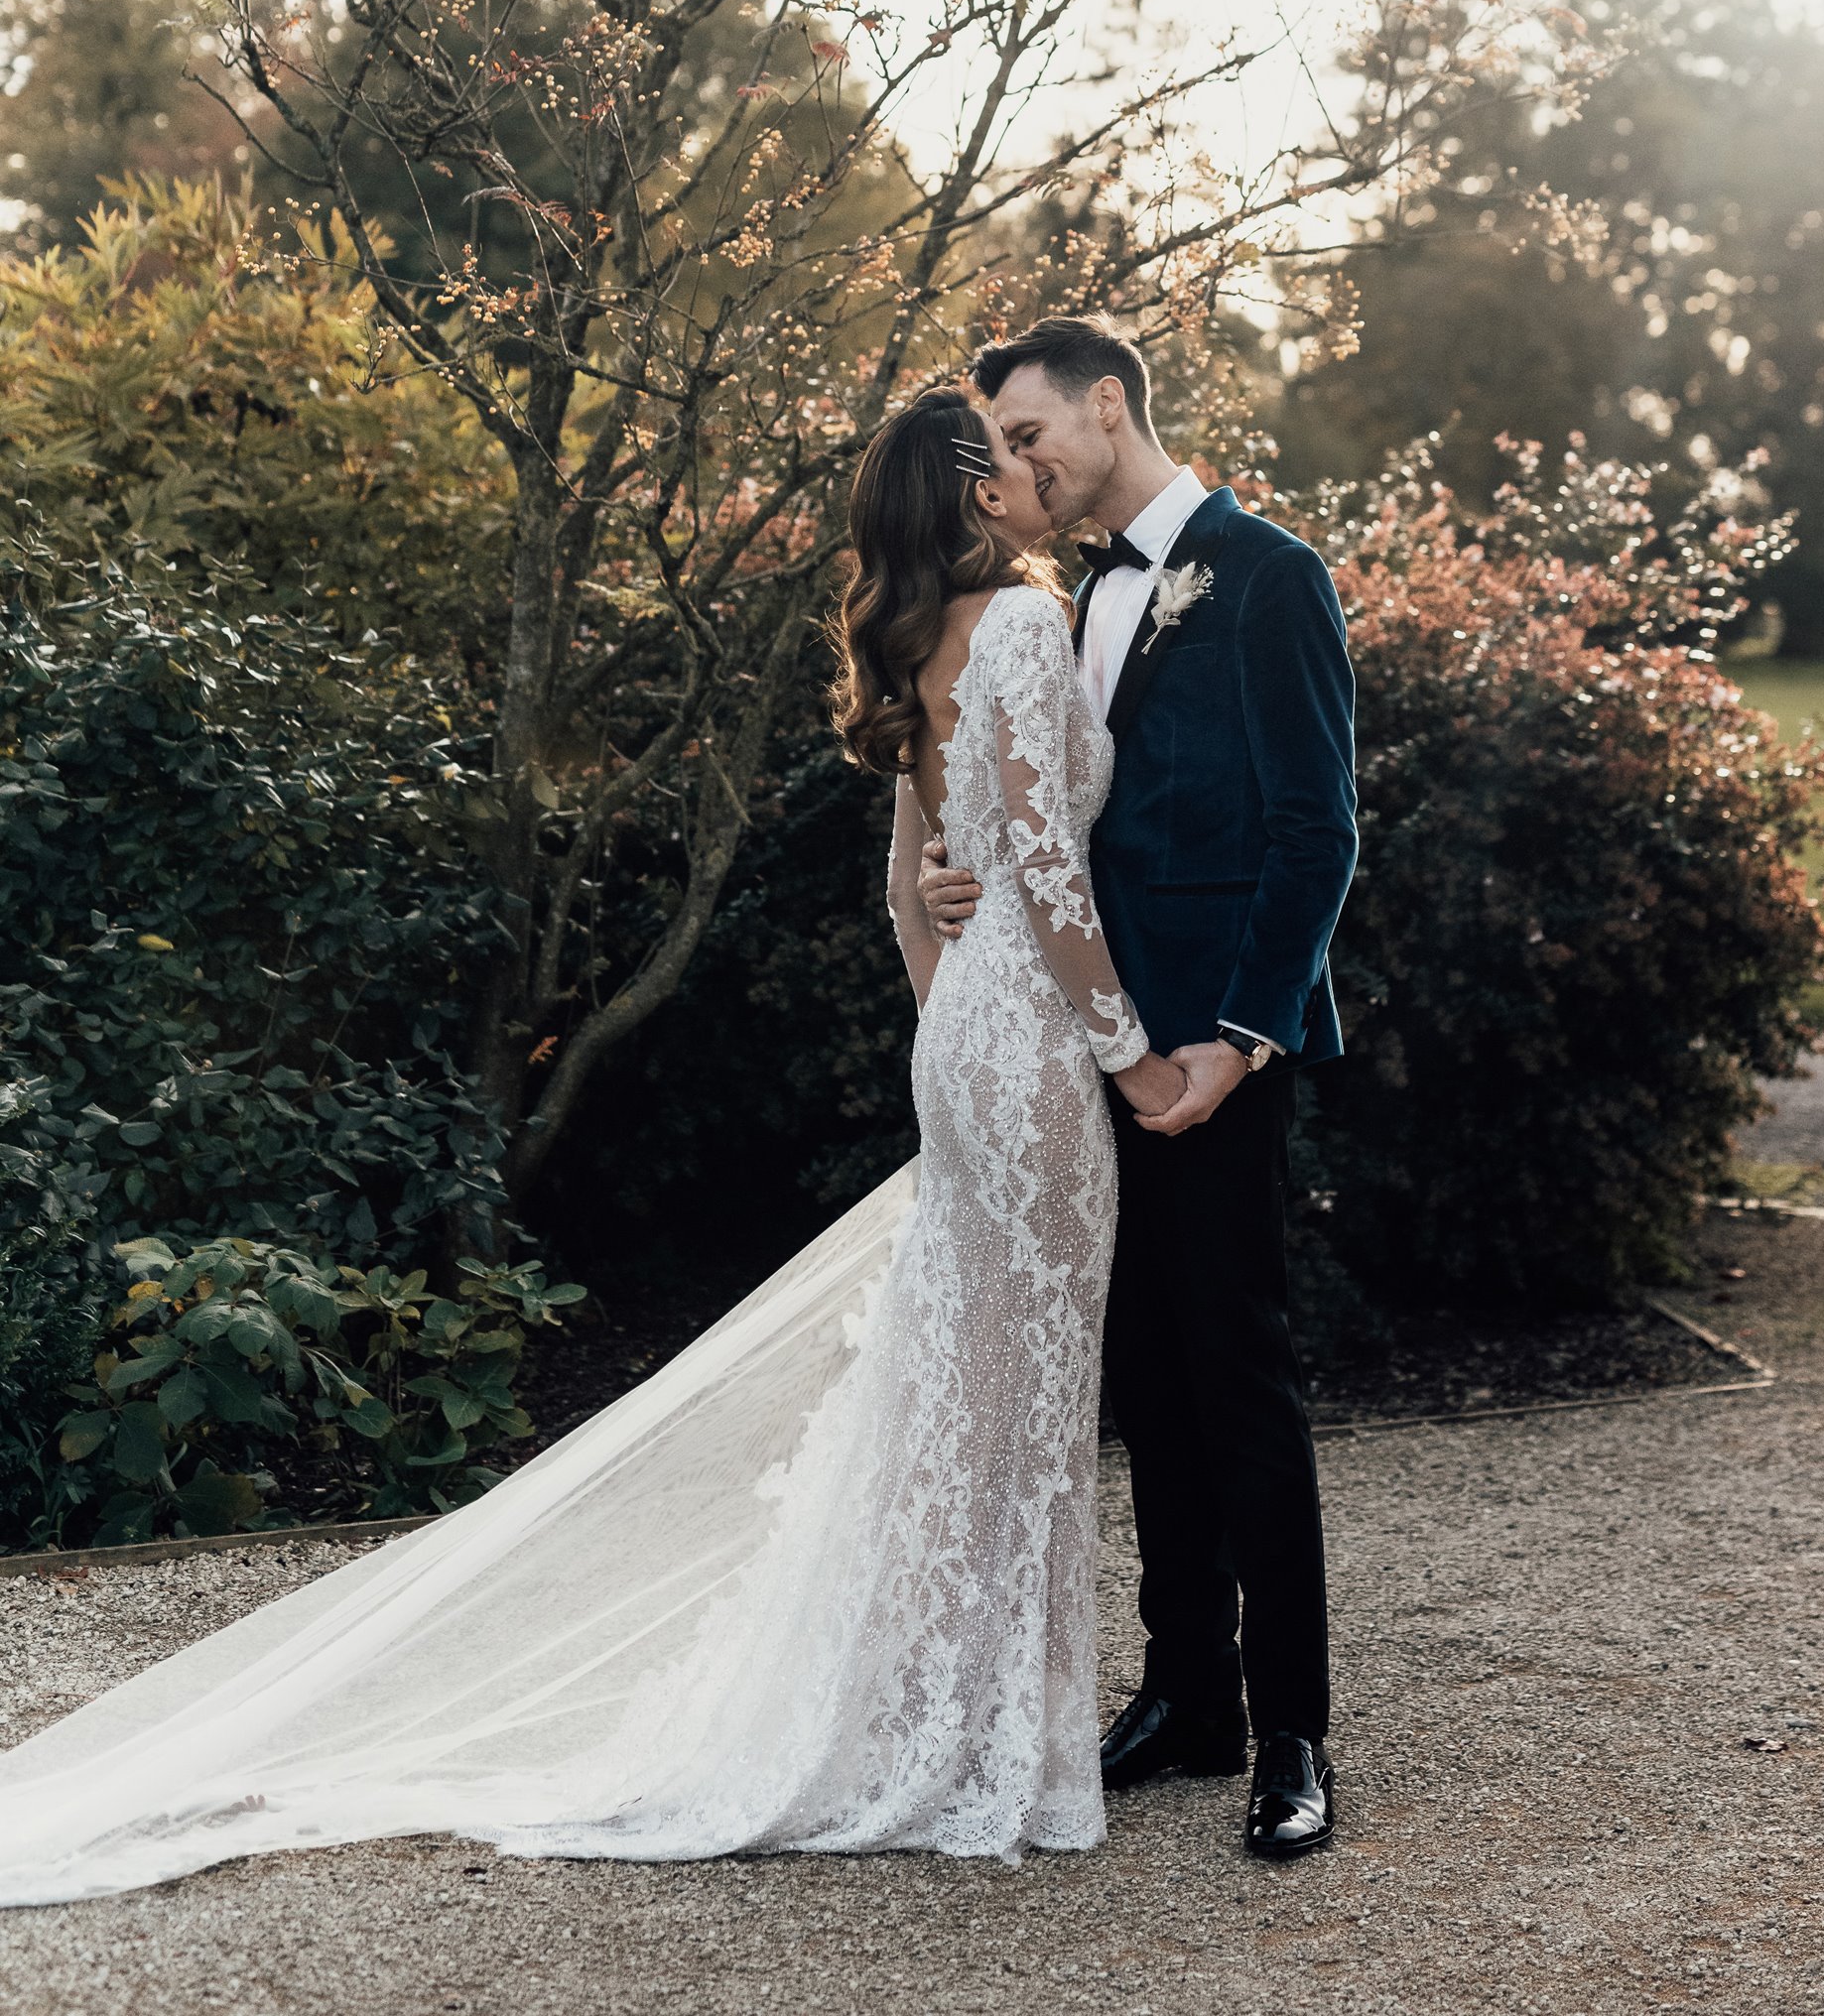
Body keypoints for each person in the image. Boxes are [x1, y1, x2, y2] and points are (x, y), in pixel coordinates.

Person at [0, 384, 1186, 1903]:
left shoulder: (910, 649)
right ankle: (982, 1747)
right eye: (1002, 460)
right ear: (964, 497)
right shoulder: (1020, 630)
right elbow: (1042, 866)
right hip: (1030, 1054)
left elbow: (913, 893)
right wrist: (1122, 1052)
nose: (1025, 476)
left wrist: (963, 1014)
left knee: (965, 1389)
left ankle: (939, 1726)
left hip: (961, 1046)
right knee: (1015, 1398)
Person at [920, 315, 1358, 1863]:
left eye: (1032, 434)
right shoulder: (1078, 594)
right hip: (1083, 1048)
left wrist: (1238, 1039)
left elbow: (1319, 833)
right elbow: (1053, 821)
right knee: (1146, 1384)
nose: (1017, 467)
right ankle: (1189, 1694)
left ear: (1111, 406)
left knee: (1238, 1377)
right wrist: (969, 889)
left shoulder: (1268, 575)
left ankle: (1294, 1732)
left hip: (1212, 1057)